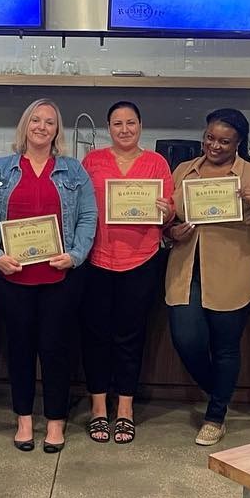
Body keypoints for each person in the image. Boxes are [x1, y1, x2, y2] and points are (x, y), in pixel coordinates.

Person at [0, 99, 96, 454]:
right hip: (13, 277)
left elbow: (88, 217)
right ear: (25, 125)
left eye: (50, 122)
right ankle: (24, 419)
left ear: (57, 130)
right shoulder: (0, 169)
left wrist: (76, 255)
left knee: (57, 350)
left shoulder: (73, 170)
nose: (42, 127)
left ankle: (56, 421)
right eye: (36, 120)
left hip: (61, 276)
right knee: (20, 349)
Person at [166, 109, 250, 447]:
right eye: (210, 138)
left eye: (224, 141)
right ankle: (221, 391)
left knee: (225, 347)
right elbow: (168, 220)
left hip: (234, 271)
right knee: (186, 339)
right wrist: (172, 231)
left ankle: (215, 416)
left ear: (239, 143)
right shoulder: (184, 170)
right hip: (187, 269)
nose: (214, 146)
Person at [80, 101, 174, 444]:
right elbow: (79, 207)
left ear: (140, 126)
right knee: (95, 336)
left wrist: (166, 211)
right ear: (108, 128)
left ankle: (125, 409)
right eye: (117, 123)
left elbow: (170, 214)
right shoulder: (92, 161)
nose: (124, 129)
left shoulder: (157, 163)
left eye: (130, 122)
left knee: (130, 337)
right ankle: (98, 407)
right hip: (96, 259)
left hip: (141, 260)